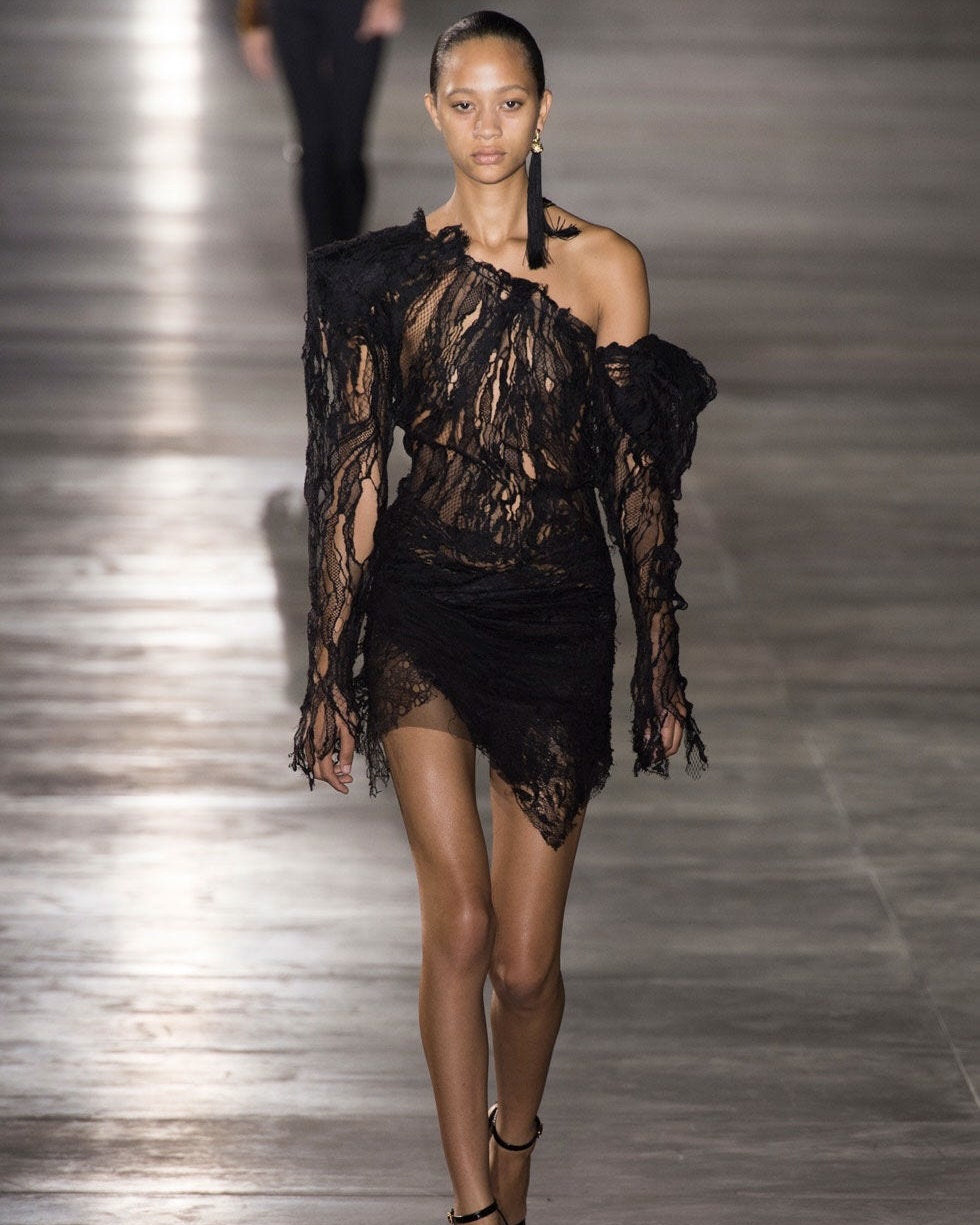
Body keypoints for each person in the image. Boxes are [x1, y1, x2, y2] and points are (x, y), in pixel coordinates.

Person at [290, 11, 717, 1223]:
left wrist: (660, 660)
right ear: (432, 112)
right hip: (422, 608)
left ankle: (513, 1146)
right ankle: (474, 1210)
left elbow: (636, 480)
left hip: (557, 615)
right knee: (464, 923)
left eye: (509, 102)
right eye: (464, 103)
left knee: (526, 965)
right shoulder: (377, 278)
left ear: (544, 112)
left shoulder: (606, 267)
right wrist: (327, 670)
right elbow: (352, 482)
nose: (487, 127)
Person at [237, 0, 404, 248]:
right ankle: (321, 265)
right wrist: (253, 20)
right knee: (314, 145)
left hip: (355, 8)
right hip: (291, 9)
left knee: (348, 149)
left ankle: (346, 255)